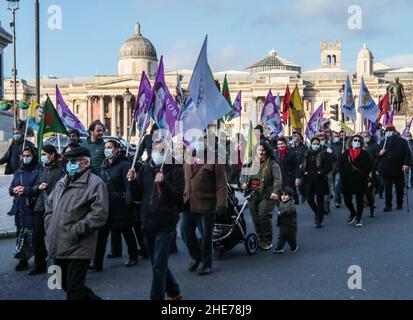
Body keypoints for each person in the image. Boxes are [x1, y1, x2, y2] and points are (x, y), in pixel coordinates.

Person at [44, 147, 109, 300]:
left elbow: (99, 214)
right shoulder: (62, 181)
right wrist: (50, 225)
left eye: (73, 162)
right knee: (61, 282)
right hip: (58, 242)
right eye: (68, 162)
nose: (69, 165)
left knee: (74, 290)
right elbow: (49, 205)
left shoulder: (95, 184)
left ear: (85, 163)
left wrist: (76, 230)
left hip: (79, 245)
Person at [128, 139, 183, 300]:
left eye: (162, 151)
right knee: (157, 264)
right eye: (155, 150)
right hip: (147, 223)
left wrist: (164, 183)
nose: (158, 153)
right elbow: (137, 196)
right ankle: (174, 291)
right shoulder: (146, 169)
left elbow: (178, 198)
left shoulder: (175, 170)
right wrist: (131, 182)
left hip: (165, 225)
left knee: (158, 267)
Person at [181, 137, 228, 275]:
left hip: (207, 202)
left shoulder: (215, 158)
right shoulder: (189, 156)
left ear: (207, 141)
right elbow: (186, 179)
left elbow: (221, 183)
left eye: (201, 139)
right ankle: (197, 257)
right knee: (185, 231)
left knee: (206, 235)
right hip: (189, 202)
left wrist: (222, 204)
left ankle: (207, 263)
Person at [91, 140, 138, 271]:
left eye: (110, 147)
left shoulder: (124, 164)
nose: (106, 150)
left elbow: (128, 184)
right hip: (106, 204)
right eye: (105, 147)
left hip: (120, 204)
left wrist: (128, 201)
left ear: (117, 149)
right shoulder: (104, 164)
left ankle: (133, 256)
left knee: (126, 230)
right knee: (102, 233)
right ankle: (97, 262)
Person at [29, 145, 65, 275]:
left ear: (53, 155)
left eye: (45, 154)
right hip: (40, 206)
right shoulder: (42, 169)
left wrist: (50, 188)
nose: (42, 156)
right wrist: (39, 187)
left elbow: (63, 187)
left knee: (55, 238)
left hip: (55, 207)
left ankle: (58, 267)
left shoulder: (61, 169)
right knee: (38, 236)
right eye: (41, 154)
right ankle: (40, 265)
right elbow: (35, 186)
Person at [242, 141, 282, 250]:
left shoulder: (272, 164)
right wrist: (243, 183)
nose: (261, 152)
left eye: (263, 150)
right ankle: (260, 237)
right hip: (252, 193)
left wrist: (275, 191)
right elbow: (243, 176)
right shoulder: (250, 163)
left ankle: (267, 240)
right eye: (259, 150)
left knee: (263, 215)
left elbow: (277, 179)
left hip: (267, 194)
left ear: (267, 151)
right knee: (255, 218)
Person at [9, 146, 42, 271]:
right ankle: (23, 259)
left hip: (31, 207)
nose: (26, 158)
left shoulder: (39, 170)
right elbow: (11, 187)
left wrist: (26, 190)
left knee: (31, 235)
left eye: (28, 156)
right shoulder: (19, 170)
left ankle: (37, 257)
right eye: (24, 156)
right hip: (19, 207)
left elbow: (40, 187)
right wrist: (13, 190)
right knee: (21, 233)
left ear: (33, 156)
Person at [340, 135, 372, 227]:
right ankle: (353, 212)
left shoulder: (365, 154)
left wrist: (363, 176)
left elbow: (369, 166)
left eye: (359, 141)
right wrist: (344, 176)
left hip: (360, 180)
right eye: (355, 140)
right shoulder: (345, 153)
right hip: (347, 180)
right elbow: (341, 166)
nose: (357, 142)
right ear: (351, 141)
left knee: (359, 200)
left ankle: (359, 217)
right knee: (347, 200)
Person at [1, 129, 35, 216]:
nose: (15, 135)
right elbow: (7, 156)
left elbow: (33, 155)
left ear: (22, 134)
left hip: (25, 170)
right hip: (16, 171)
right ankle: (16, 208)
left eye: (17, 133)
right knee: (16, 189)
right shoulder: (13, 144)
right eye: (14, 133)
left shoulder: (26, 144)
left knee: (21, 189)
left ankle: (17, 208)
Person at [378, 124, 411, 211]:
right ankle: (388, 205)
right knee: (387, 189)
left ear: (394, 131)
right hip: (387, 168)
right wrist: (379, 153)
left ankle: (399, 203)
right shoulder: (383, 142)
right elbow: (377, 156)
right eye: (387, 131)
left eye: (390, 130)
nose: (388, 132)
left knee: (399, 188)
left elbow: (407, 154)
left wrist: (406, 164)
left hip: (398, 168)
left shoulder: (402, 141)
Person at [302, 137, 332, 228]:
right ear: (311, 144)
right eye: (314, 143)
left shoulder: (324, 153)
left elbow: (329, 167)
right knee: (310, 199)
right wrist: (303, 172)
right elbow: (302, 165)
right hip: (309, 180)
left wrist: (321, 172)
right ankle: (318, 212)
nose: (316, 145)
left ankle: (319, 219)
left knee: (320, 200)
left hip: (320, 180)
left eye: (317, 143)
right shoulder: (307, 153)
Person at [274, 137, 299, 204]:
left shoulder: (291, 153)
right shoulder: (275, 153)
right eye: (278, 144)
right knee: (280, 197)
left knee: (289, 196)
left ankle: (290, 209)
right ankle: (282, 210)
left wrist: (297, 178)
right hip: (279, 178)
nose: (280, 145)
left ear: (285, 144)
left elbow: (296, 166)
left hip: (289, 178)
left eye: (282, 143)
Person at [274, 187, 298, 254]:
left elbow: (290, 210)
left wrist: (281, 212)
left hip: (291, 225)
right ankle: (279, 247)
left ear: (290, 196)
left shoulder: (291, 204)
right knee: (281, 237)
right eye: (282, 195)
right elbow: (278, 205)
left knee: (291, 238)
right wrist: (275, 199)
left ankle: (294, 247)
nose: (283, 197)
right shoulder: (281, 203)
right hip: (282, 224)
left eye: (285, 195)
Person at [362, 131, 380, 217]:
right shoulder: (360, 145)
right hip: (361, 169)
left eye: (366, 136)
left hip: (372, 168)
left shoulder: (374, 145)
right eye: (363, 136)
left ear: (369, 136)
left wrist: (375, 166)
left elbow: (377, 157)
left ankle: (372, 201)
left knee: (371, 185)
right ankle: (365, 201)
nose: (365, 138)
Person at [292, 131, 307, 203]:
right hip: (293, 168)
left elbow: (306, 157)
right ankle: (295, 199)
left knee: (301, 184)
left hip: (301, 168)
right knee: (293, 184)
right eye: (294, 136)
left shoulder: (304, 147)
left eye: (297, 135)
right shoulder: (292, 147)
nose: (295, 137)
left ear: (300, 138)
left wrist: (303, 165)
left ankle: (304, 195)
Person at [331, 131, 346, 208]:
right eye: (335, 136)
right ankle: (338, 198)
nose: (337, 137)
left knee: (337, 184)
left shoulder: (343, 145)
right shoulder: (330, 145)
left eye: (337, 136)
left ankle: (337, 201)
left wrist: (344, 153)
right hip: (331, 169)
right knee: (334, 186)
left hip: (339, 168)